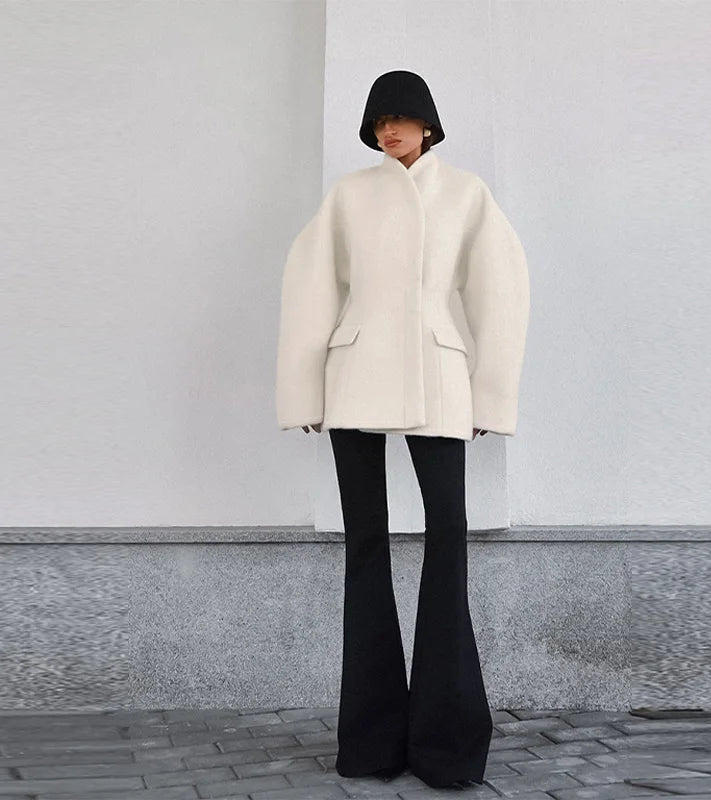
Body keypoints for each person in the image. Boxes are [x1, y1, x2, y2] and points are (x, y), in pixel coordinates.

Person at [275, 70, 530, 789]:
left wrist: (490, 397)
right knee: (365, 546)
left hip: (439, 375)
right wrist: (303, 391)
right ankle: (372, 744)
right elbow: (310, 286)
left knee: (448, 539)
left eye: (401, 117)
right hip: (354, 372)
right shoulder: (349, 195)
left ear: (428, 124)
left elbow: (501, 291)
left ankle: (448, 746)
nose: (389, 130)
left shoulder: (467, 194)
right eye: (378, 120)